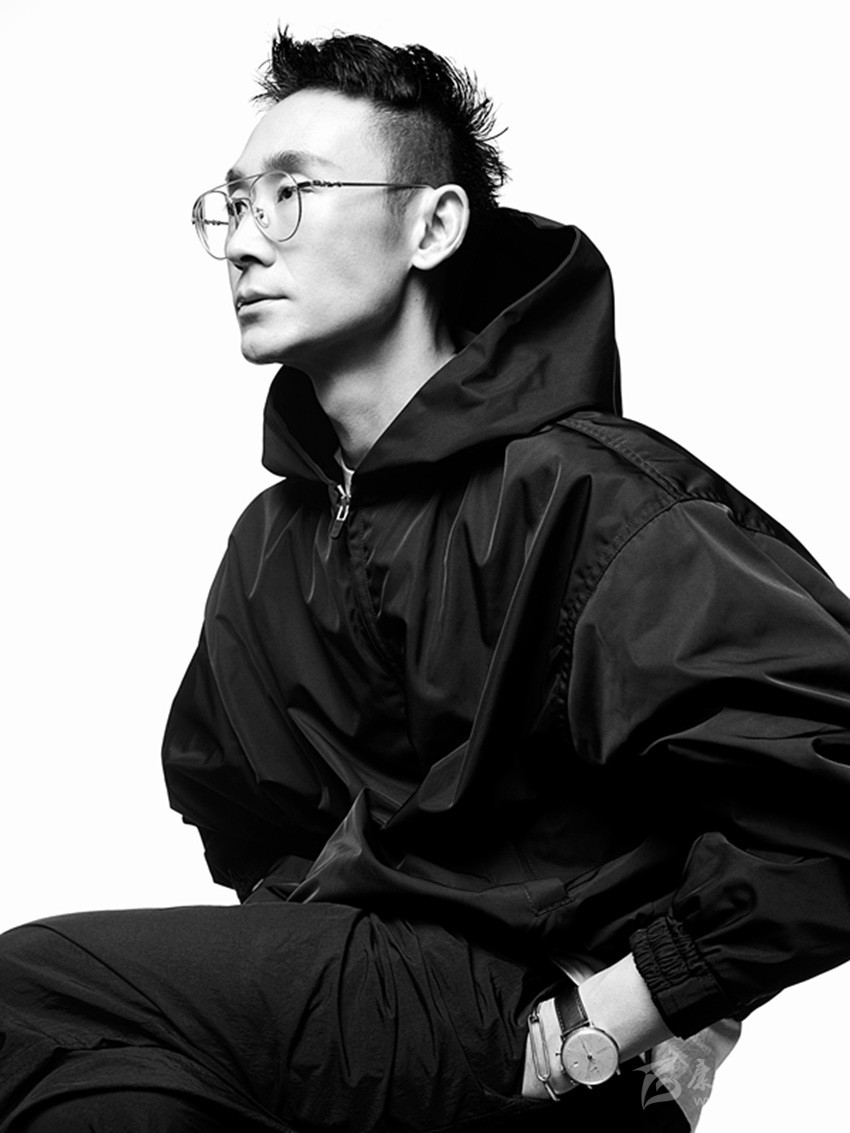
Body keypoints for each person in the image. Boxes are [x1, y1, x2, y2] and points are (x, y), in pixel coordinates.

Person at [1, 26, 849, 1133]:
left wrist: (603, 1023)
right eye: (234, 203)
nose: (244, 242)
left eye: (292, 193)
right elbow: (247, 819)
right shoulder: (270, 547)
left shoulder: (581, 496)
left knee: (27, 988)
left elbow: (828, 791)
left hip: (525, 1013)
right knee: (102, 1107)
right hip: (376, 1022)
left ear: (432, 225)